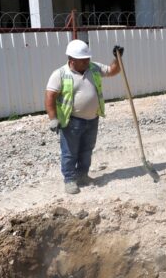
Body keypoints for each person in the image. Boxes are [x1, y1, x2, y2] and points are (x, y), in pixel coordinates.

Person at [45, 39, 123, 194]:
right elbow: (50, 96)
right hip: (71, 121)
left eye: (88, 58)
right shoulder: (60, 74)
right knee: (70, 152)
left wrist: (117, 58)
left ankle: (82, 175)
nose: (87, 61)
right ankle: (69, 180)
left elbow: (113, 71)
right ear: (72, 59)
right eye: (83, 60)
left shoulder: (93, 68)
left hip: (93, 119)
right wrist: (53, 119)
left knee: (87, 150)